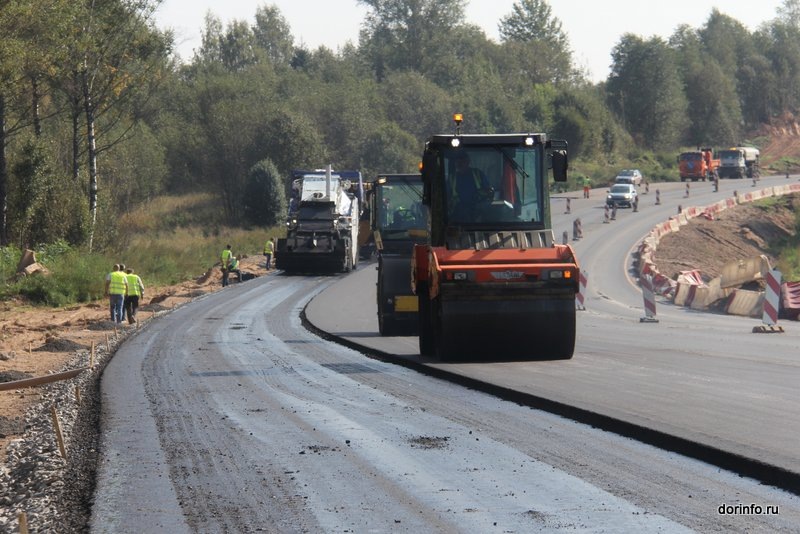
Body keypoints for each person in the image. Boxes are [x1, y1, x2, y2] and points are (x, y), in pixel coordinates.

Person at [450, 152, 492, 220]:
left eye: (463, 161)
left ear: (468, 162)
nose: (460, 164)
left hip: (477, 211)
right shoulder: (451, 178)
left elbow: (488, 192)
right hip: (459, 213)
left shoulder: (478, 174)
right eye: (457, 161)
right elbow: (447, 196)